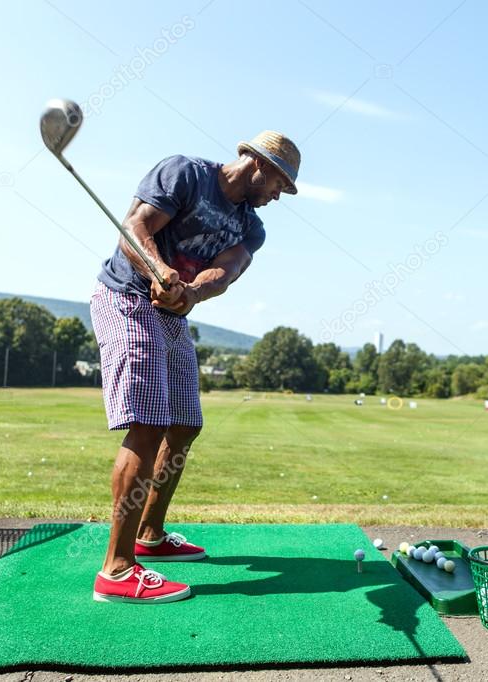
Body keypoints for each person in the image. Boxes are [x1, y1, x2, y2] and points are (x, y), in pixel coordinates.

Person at [89, 131, 301, 603]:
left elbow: (226, 271)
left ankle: (150, 535)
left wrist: (191, 293)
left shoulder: (252, 227)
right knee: (148, 422)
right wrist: (160, 273)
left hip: (172, 312)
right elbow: (136, 229)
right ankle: (118, 569)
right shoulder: (184, 173)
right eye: (277, 186)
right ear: (258, 165)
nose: (275, 198)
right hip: (125, 298)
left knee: (184, 424)